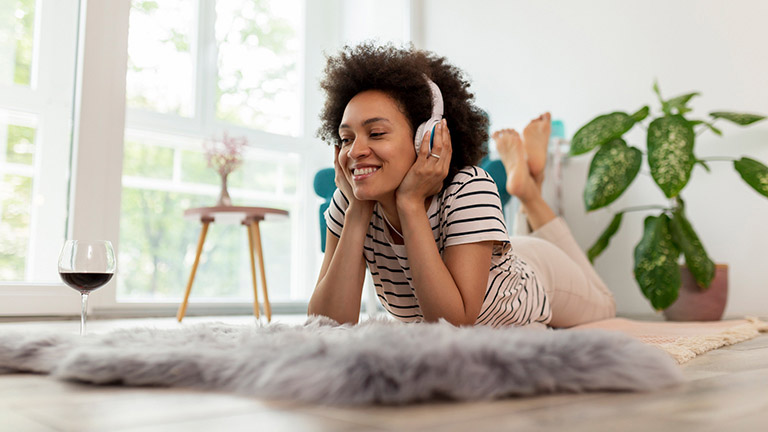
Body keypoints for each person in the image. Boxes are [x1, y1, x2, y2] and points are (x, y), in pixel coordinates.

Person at [308, 43, 615, 328]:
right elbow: (326, 324)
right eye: (346, 139)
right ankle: (530, 188)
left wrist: (411, 204)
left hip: (535, 275)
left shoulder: (468, 187)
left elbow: (454, 325)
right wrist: (358, 212)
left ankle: (530, 195)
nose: (354, 151)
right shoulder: (350, 202)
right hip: (480, 249)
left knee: (605, 306)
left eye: (376, 134)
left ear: (425, 138)